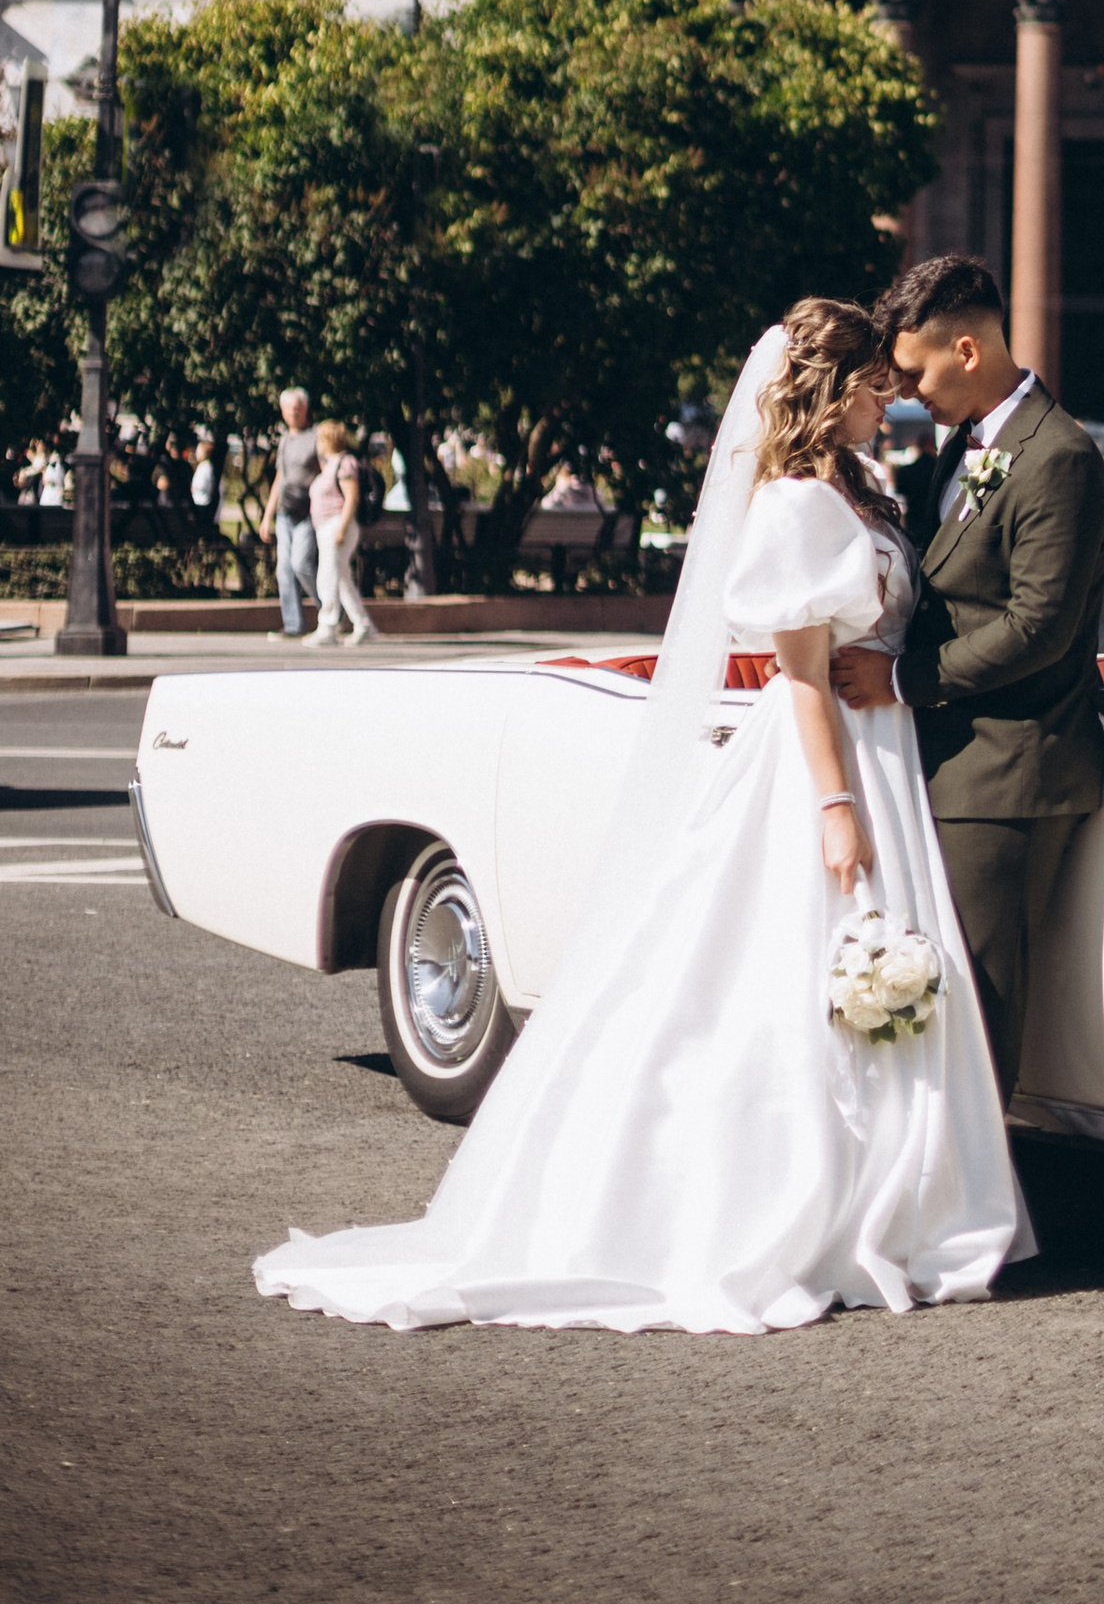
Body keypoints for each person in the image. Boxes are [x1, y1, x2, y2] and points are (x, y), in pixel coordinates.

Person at [254, 296, 1020, 1329]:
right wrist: (835, 804)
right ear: (832, 390)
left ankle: (881, 1204)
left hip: (876, 744)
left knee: (842, 976)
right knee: (786, 979)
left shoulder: (854, 489)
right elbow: (799, 677)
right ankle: (781, 1208)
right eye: (875, 388)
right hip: (822, 761)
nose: (889, 406)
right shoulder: (794, 503)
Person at [851, 252, 1104, 1118]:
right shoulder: (961, 448)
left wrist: (899, 679)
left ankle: (977, 1218)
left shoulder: (1058, 457)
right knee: (930, 993)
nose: (905, 392)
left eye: (917, 371)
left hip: (1008, 772)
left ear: (966, 350)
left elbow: (1039, 627)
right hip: (941, 757)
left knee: (979, 1002)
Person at [304, 425, 377, 648]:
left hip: (336, 526)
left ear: (328, 439)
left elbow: (351, 498)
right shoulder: (331, 464)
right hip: (328, 527)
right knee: (342, 578)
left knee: (328, 576)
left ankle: (327, 626)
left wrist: (342, 529)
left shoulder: (345, 463)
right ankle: (363, 624)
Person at [259, 392, 321, 636]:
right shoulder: (284, 438)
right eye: (287, 409)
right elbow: (280, 478)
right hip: (285, 513)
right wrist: (267, 515)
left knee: (301, 563)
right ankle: (294, 625)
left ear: (305, 408)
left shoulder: (315, 436)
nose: (293, 413)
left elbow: (326, 470)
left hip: (307, 512)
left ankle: (330, 613)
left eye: (297, 408)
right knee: (284, 568)